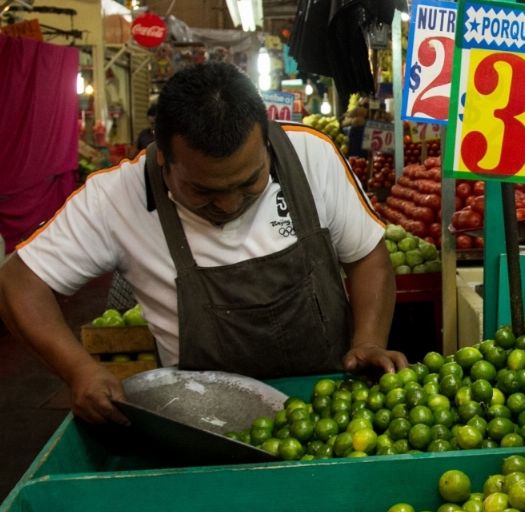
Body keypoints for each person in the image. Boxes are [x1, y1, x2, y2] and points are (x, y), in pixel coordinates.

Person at [0, 63, 407, 425]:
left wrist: (368, 340)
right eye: (204, 192)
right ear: (163, 160)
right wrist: (79, 370)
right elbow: (17, 282)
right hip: (202, 425)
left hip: (328, 414)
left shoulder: (311, 156)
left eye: (249, 183)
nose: (229, 205)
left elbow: (368, 255)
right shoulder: (114, 197)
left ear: (265, 141)